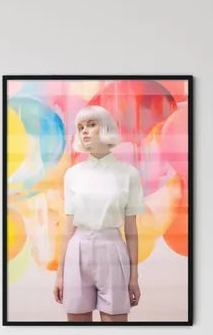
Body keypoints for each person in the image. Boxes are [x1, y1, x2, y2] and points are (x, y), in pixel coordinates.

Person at [53, 105, 145, 322]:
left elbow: (131, 231)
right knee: (77, 323)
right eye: (81, 127)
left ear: (105, 128)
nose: (84, 131)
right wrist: (59, 273)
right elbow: (68, 228)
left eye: (91, 125)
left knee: (115, 324)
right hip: (77, 250)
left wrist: (134, 276)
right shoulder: (72, 174)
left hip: (112, 249)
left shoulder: (128, 174)